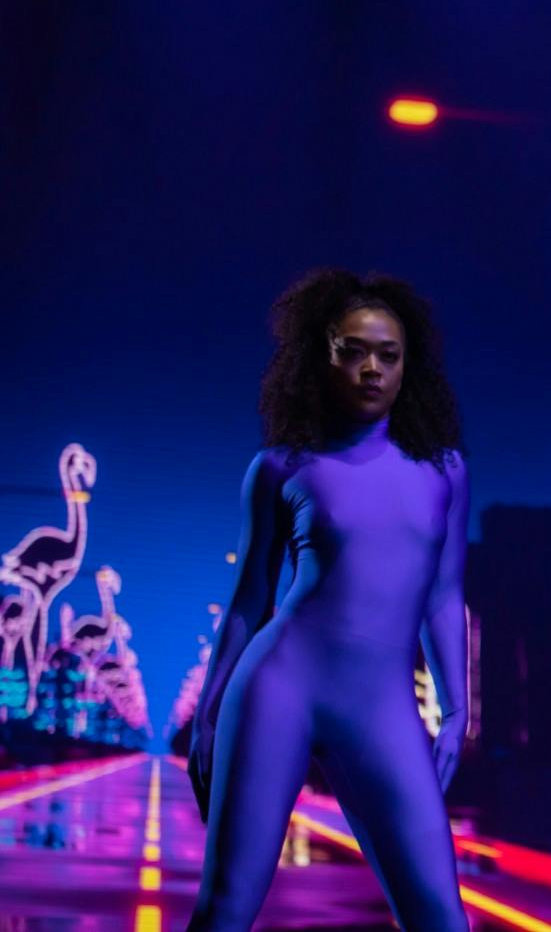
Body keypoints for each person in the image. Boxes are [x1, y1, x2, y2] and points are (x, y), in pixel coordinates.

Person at [188, 269, 469, 930]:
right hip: (277, 688)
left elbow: (444, 592)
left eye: (388, 354)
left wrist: (458, 706)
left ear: (407, 366)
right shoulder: (282, 466)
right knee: (226, 908)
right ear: (323, 355)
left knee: (441, 917)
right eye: (353, 350)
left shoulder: (445, 470)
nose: (372, 368)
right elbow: (248, 599)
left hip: (383, 707)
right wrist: (206, 713)